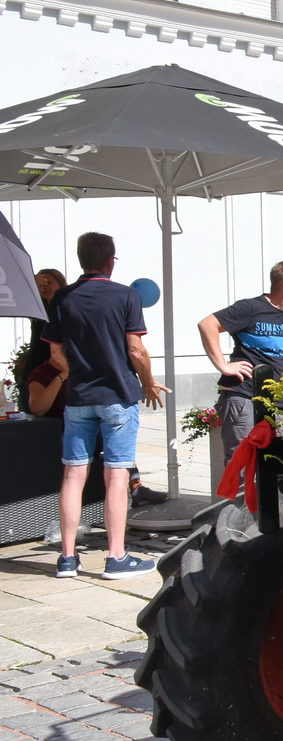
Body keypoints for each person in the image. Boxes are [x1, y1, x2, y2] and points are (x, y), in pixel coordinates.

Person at [42, 232, 167, 579]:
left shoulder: (63, 298)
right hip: (117, 396)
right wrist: (147, 382)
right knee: (116, 476)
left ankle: (67, 558)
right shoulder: (126, 296)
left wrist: (77, 373)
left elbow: (55, 352)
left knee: (72, 474)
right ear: (111, 261)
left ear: (82, 259)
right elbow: (136, 350)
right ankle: (116, 556)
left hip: (79, 397)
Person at [198, 260, 283, 463]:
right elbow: (207, 324)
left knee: (280, 458)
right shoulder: (250, 308)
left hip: (280, 400)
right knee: (242, 459)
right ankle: (240, 497)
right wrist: (222, 365)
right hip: (244, 396)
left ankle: (271, 497)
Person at [22, 268, 67, 382]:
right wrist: (31, 280)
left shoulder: (68, 311)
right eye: (40, 286)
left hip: (60, 376)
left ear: (60, 283)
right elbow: (18, 294)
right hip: (33, 375)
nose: (44, 288)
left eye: (48, 283)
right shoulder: (37, 312)